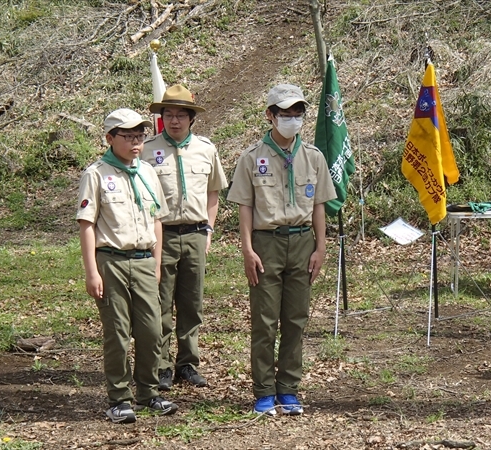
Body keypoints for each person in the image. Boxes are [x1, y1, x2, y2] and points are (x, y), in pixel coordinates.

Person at [226, 84, 337, 416]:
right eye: (285, 115)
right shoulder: (251, 158)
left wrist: (321, 247)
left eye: (297, 114)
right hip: (266, 243)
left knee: (296, 318)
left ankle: (288, 388)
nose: (292, 121)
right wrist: (247, 249)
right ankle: (263, 390)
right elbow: (245, 206)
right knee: (264, 319)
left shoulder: (314, 157)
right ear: (269, 116)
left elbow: (319, 206)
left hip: (303, 243)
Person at [76, 108, 178, 424]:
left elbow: (157, 219)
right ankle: (119, 398)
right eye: (128, 136)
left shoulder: (147, 172)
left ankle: (149, 392)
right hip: (112, 262)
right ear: (110, 138)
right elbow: (86, 224)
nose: (136, 142)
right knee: (118, 333)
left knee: (152, 329)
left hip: (145, 260)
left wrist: (157, 262)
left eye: (140, 136)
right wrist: (92, 271)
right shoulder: (96, 174)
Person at [141, 84, 228, 390]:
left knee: (192, 304)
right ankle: (162, 365)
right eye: (168, 114)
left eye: (180, 115)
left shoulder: (206, 149)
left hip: (194, 234)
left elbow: (213, 190)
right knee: (160, 302)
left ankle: (187, 364)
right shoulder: (148, 151)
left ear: (192, 119)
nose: (174, 121)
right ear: (161, 118)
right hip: (161, 235)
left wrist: (209, 229)